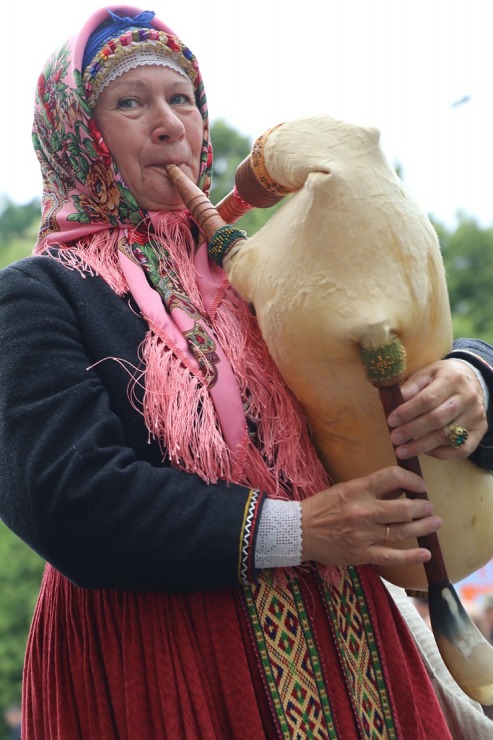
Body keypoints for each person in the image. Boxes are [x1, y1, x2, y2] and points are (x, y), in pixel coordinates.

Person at [1, 5, 493, 738]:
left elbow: (385, 353)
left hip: (351, 630)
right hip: (164, 652)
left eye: (183, 100)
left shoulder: (257, 272)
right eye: (130, 103)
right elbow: (64, 498)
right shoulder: (36, 294)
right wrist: (301, 529)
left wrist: (469, 379)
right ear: (77, 134)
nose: (170, 124)